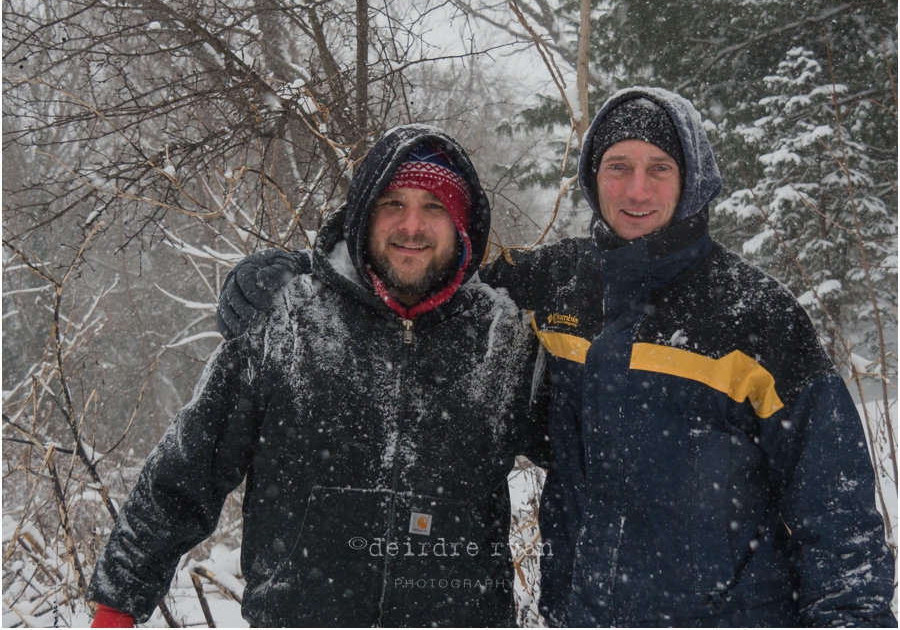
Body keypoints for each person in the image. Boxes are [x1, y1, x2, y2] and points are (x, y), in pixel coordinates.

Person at [218, 88, 896, 627]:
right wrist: (298, 278)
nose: (637, 190)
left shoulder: (757, 314)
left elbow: (836, 508)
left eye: (660, 169)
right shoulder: (558, 284)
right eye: (618, 166)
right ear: (591, 176)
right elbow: (424, 267)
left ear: (693, 179)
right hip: (582, 616)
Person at [87, 126, 549, 627]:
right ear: (363, 214)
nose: (411, 226)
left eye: (434, 206)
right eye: (392, 203)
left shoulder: (502, 337)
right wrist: (117, 605)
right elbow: (186, 470)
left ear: (461, 223)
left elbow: (591, 465)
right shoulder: (288, 320)